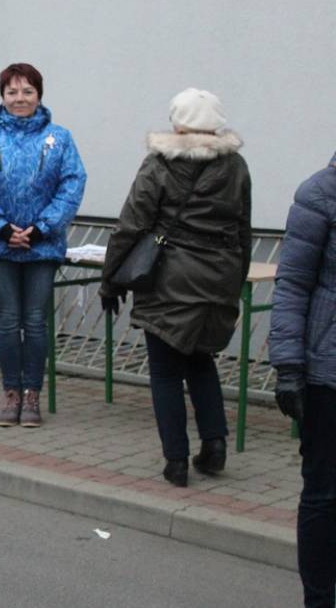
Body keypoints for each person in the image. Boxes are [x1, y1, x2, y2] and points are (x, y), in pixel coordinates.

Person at [100, 88, 250, 487]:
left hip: (170, 278)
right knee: (201, 360)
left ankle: (177, 461)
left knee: (165, 371)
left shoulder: (160, 163)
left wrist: (110, 280)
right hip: (219, 277)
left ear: (177, 122)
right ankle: (215, 445)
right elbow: (243, 229)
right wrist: (233, 282)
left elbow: (131, 224)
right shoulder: (236, 166)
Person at [0, 63, 86, 429]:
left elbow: (72, 184)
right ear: (2, 96)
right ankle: (10, 393)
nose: (20, 98)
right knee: (8, 321)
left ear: (39, 95)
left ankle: (32, 393)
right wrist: (1, 228)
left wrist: (40, 228)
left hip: (42, 247)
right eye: (12, 92)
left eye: (27, 91)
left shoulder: (60, 138)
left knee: (34, 322)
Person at [269, 152, 336, 606]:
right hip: (327, 375)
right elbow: (292, 283)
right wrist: (289, 366)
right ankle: (319, 599)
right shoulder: (320, 194)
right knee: (325, 494)